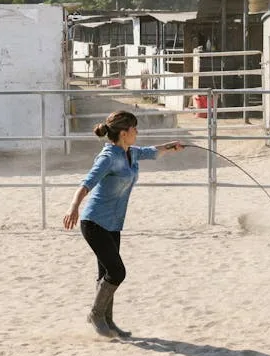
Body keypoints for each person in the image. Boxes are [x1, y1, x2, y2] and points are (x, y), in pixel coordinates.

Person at [62, 110, 187, 339]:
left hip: (113, 224)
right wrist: (73, 206)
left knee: (106, 273)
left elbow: (151, 152)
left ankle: (108, 321)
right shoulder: (108, 157)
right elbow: (86, 183)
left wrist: (172, 146)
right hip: (94, 222)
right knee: (117, 272)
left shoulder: (130, 152)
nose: (137, 132)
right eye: (135, 129)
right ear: (124, 132)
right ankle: (96, 315)